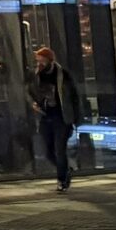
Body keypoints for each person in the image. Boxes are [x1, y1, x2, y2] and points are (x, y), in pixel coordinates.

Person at [30, 46, 84, 192]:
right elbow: (31, 92)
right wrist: (35, 104)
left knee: (60, 149)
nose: (39, 63)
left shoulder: (62, 74)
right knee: (48, 151)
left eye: (42, 60)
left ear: (49, 60)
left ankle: (62, 180)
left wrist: (77, 117)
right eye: (38, 60)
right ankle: (66, 170)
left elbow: (74, 96)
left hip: (61, 117)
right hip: (45, 116)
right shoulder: (37, 75)